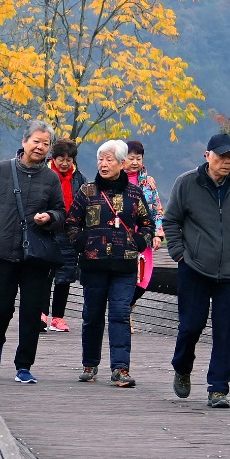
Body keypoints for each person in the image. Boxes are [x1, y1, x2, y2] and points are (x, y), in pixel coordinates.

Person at [165, 133, 230, 409]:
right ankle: (182, 366)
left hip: (228, 270)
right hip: (194, 268)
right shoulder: (186, 183)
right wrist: (180, 254)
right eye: (221, 156)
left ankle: (218, 388)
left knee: (223, 331)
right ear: (208, 156)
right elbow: (170, 222)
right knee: (191, 326)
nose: (226, 162)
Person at [0, 119, 65, 384]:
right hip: (4, 253)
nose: (40, 147)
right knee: (1, 310)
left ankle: (24, 365)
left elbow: (61, 212)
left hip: (36, 258)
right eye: (36, 141)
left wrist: (48, 217)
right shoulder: (3, 170)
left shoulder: (50, 178)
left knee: (31, 312)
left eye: (45, 144)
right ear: (24, 142)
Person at [65, 140, 155, 387]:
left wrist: (139, 241)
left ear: (123, 163)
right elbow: (71, 223)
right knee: (92, 316)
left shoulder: (135, 194)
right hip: (94, 265)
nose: (103, 164)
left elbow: (148, 224)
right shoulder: (87, 191)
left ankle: (120, 368)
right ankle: (90, 364)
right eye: (101, 159)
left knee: (119, 315)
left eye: (109, 160)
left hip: (124, 266)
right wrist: (82, 241)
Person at [44, 138, 85, 333]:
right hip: (46, 231)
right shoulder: (43, 174)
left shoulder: (79, 179)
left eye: (69, 159)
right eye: (61, 158)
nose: (65, 163)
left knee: (65, 277)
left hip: (69, 233)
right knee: (45, 274)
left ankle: (58, 317)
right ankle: (41, 313)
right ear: (53, 157)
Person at [125, 139, 166, 331]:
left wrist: (158, 234)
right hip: (122, 236)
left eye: (138, 158)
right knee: (126, 275)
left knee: (144, 277)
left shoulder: (148, 182)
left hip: (144, 235)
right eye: (130, 158)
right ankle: (124, 314)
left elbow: (157, 210)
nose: (134, 162)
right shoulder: (116, 179)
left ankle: (125, 308)